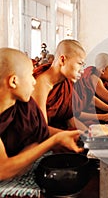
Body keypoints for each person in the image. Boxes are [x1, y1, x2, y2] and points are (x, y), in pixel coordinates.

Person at [0, 48, 83, 180]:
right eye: (30, 75)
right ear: (13, 81)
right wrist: (53, 141)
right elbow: (2, 170)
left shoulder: (22, 105)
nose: (34, 81)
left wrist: (83, 136)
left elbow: (39, 131)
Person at [32, 39, 87, 134]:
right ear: (62, 60)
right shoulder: (40, 84)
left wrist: (91, 133)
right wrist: (77, 135)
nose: (82, 71)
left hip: (59, 132)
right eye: (79, 64)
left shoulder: (65, 81)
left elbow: (68, 118)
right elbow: (41, 129)